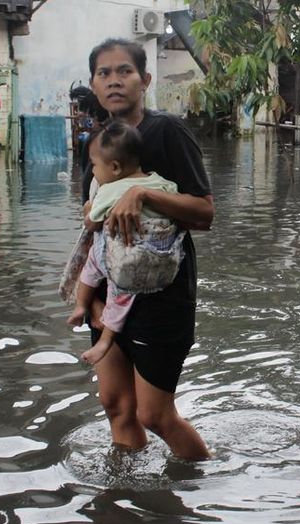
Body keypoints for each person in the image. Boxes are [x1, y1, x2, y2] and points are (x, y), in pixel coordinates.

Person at [65, 38, 214, 461]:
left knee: (155, 415)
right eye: (104, 73)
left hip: (162, 295)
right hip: (110, 289)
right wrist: (89, 296)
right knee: (116, 407)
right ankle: (129, 501)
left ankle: (199, 482)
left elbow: (204, 213)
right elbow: (91, 221)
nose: (114, 81)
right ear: (94, 85)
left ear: (145, 80)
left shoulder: (166, 132)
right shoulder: (92, 145)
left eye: (124, 71)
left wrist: (140, 194)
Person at [67, 121, 184, 366]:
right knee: (123, 297)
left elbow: (92, 223)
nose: (94, 171)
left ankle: (84, 311)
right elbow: (173, 202)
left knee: (94, 272)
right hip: (155, 254)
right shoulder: (159, 182)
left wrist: (89, 208)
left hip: (120, 256)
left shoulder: (109, 190)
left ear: (115, 167)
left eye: (95, 165)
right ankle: (105, 338)